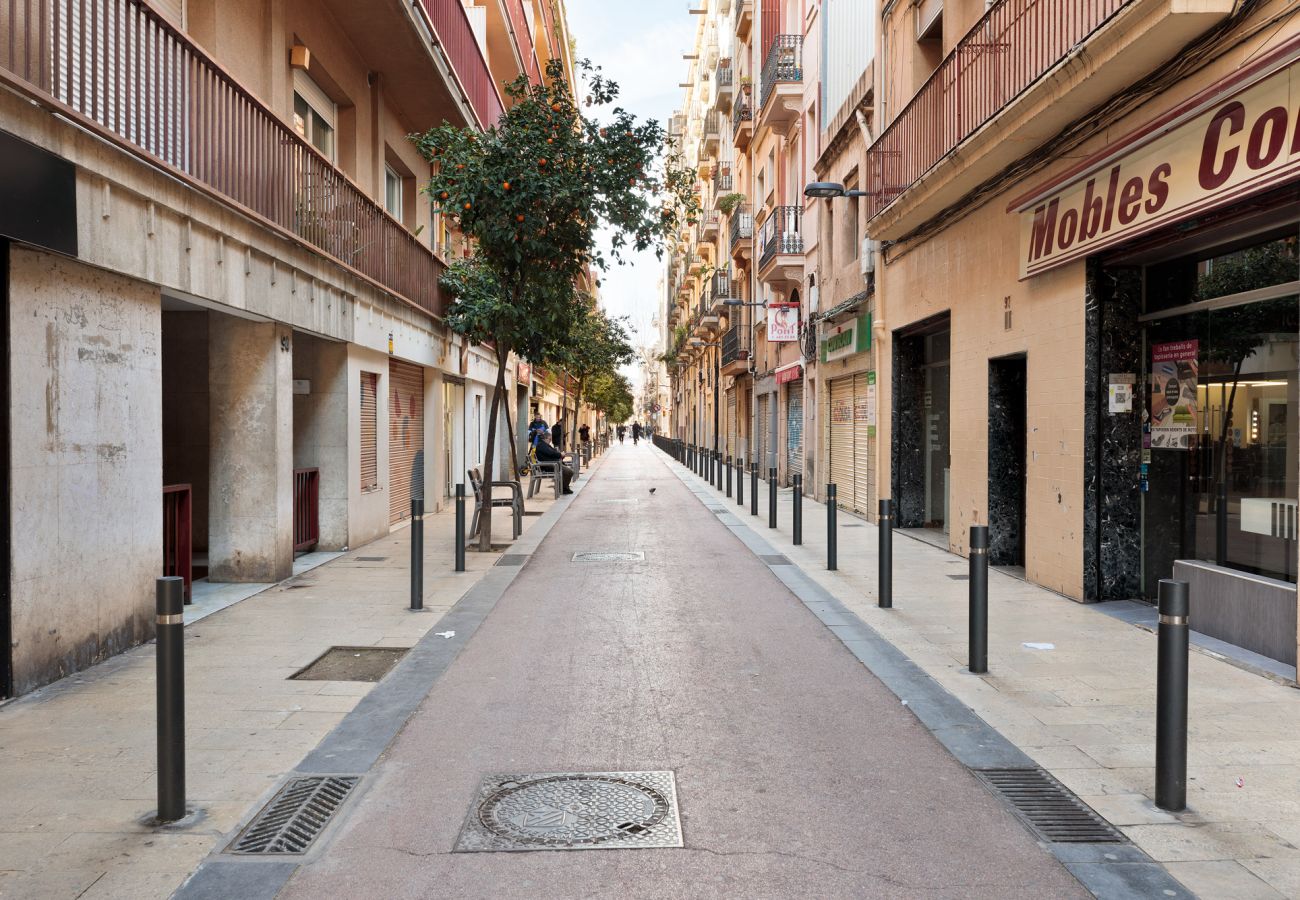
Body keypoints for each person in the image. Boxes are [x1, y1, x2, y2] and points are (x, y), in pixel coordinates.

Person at [534, 429, 573, 494]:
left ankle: (563, 488)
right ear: (545, 438)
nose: (550, 441)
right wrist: (560, 454)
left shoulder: (544, 445)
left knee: (567, 471)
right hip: (548, 466)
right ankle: (563, 488)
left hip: (552, 464)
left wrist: (560, 454)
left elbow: (553, 452)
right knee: (569, 472)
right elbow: (551, 453)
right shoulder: (541, 445)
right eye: (549, 439)